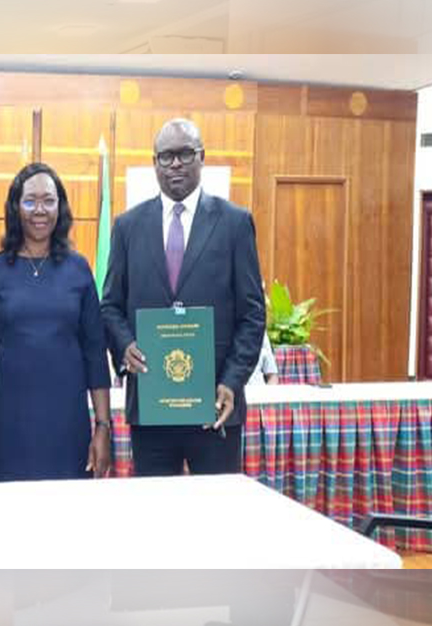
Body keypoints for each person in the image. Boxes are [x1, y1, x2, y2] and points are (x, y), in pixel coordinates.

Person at [100, 118, 265, 476]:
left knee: (216, 519)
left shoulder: (235, 223)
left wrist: (232, 381)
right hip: (151, 406)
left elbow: (252, 314)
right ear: (154, 162)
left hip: (215, 405)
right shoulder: (127, 227)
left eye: (185, 154)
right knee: (157, 521)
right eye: (166, 156)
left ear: (201, 157)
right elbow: (110, 305)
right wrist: (125, 345)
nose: (175, 164)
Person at [0, 163, 111, 482]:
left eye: (49, 200)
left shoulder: (79, 269)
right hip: (13, 425)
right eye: (30, 201)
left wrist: (103, 427)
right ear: (15, 207)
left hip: (68, 426)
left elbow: (96, 354)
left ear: (61, 207)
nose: (39, 210)